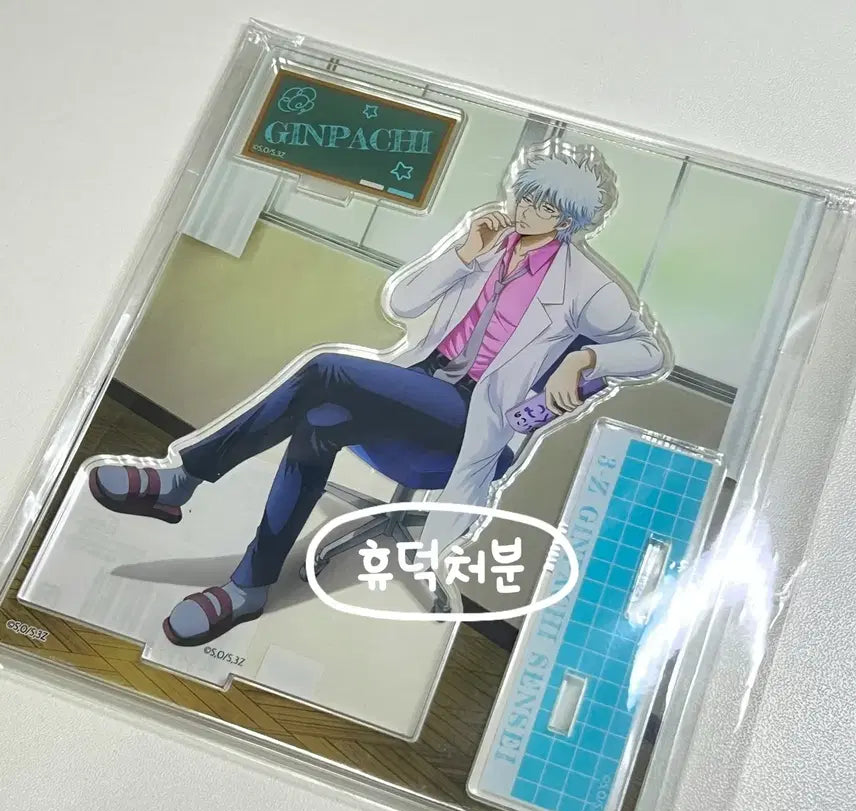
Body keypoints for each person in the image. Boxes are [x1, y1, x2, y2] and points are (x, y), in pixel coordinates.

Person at [88, 145, 666, 646]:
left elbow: (650, 352)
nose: (524, 210)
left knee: (327, 371)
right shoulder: (488, 243)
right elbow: (402, 303)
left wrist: (586, 358)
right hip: (420, 384)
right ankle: (248, 587)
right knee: (319, 420)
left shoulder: (586, 285)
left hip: (474, 417)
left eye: (543, 207)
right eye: (525, 195)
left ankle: (183, 479)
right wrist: (464, 253)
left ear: (568, 221)